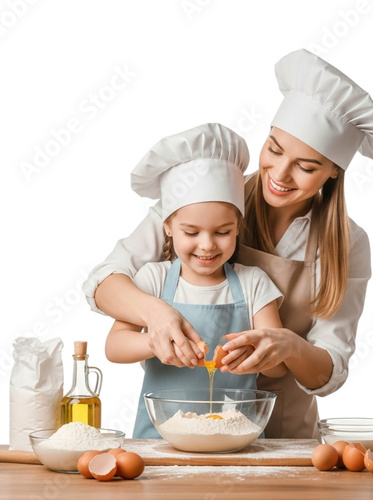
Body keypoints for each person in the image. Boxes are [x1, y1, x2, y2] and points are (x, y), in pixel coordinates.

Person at [83, 49, 373, 439]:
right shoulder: (207, 196)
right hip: (176, 428)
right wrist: (155, 316)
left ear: (334, 171)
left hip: (281, 437)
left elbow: (330, 368)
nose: (279, 174)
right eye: (275, 149)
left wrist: (287, 346)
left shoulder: (346, 243)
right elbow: (104, 281)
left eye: (306, 166)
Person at [103, 123, 286, 438]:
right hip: (160, 440)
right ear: (169, 227)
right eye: (191, 232)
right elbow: (114, 346)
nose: (207, 244)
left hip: (236, 440)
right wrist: (152, 342)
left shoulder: (254, 283)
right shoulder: (155, 279)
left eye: (222, 232)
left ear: (238, 227)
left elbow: (278, 366)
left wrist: (258, 354)